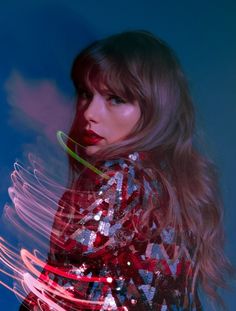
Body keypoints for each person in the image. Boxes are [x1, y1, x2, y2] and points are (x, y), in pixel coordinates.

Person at [19, 30, 233, 311]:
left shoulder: (119, 178)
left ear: (154, 110)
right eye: (86, 94)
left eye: (115, 99)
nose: (89, 113)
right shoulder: (171, 188)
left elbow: (58, 290)